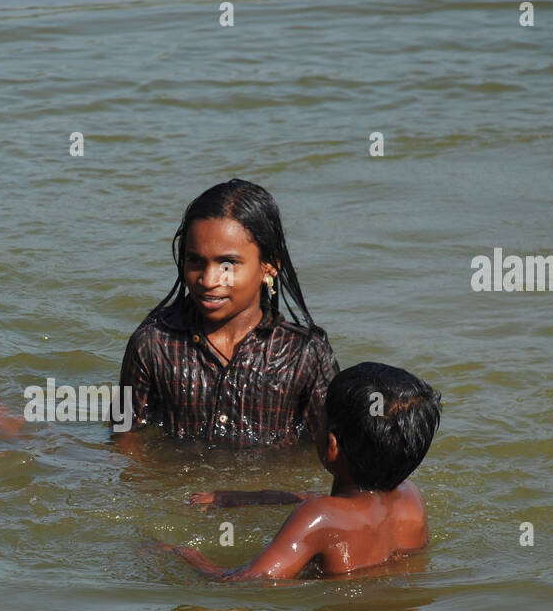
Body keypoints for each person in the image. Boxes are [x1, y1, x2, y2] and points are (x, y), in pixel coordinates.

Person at [164, 362, 441, 579]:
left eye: (320, 420)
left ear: (332, 446)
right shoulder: (411, 497)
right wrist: (240, 497)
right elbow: (340, 510)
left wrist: (183, 553)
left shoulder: (318, 516)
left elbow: (246, 581)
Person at [118, 179, 338, 446]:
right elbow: (123, 439)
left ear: (269, 266)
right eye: (195, 261)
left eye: (228, 264)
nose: (208, 280)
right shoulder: (153, 345)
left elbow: (330, 454)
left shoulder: (305, 356)